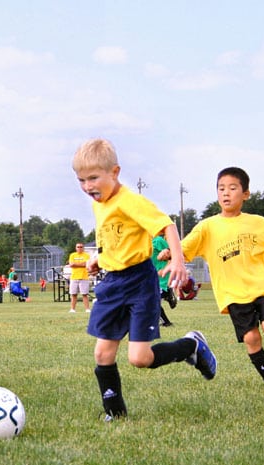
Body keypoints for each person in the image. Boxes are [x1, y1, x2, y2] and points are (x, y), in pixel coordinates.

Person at [72, 138, 217, 421]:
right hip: (112, 284)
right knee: (103, 353)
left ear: (114, 173)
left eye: (93, 178)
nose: (88, 186)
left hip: (139, 283)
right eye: (81, 180)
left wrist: (178, 260)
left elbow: (166, 226)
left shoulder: (130, 201)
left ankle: (191, 346)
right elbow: (115, 240)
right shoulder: (99, 204)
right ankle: (115, 413)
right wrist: (97, 259)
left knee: (140, 358)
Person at [178, 166, 264, 389]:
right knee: (251, 339)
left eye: (232, 188)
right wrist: (170, 252)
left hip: (262, 287)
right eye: (221, 188)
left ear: (245, 194)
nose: (226, 193)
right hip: (233, 294)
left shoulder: (256, 223)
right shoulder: (207, 227)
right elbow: (184, 248)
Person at [152, 234, 177, 327]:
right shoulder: (143, 243)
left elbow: (173, 255)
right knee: (151, 300)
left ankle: (166, 322)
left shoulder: (158, 240)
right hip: (151, 276)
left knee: (152, 301)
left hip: (161, 276)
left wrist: (166, 268)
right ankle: (167, 294)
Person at [67, 242, 91, 313]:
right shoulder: (72, 255)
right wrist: (81, 264)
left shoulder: (86, 255)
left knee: (84, 294)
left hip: (84, 277)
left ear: (83, 248)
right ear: (75, 248)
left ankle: (87, 309)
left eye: (81, 247)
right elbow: (71, 264)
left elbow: (86, 264)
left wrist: (76, 264)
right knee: (73, 294)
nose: (79, 248)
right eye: (78, 247)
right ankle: (72, 309)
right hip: (74, 277)